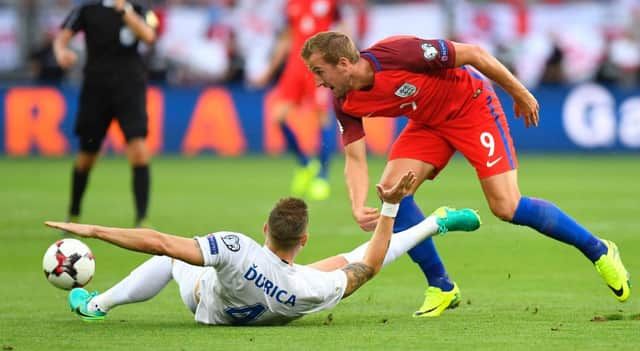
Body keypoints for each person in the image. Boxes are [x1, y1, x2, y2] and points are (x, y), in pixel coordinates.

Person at [300, 31, 632, 317]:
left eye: (319, 71)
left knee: (506, 207)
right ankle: (441, 285)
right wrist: (358, 205)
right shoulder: (344, 100)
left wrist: (518, 91)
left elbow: (473, 53)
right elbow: (355, 159)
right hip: (429, 124)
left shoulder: (398, 54)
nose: (318, 81)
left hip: (471, 107)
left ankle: (598, 250)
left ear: (343, 64)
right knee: (392, 192)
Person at [44, 171, 482, 325]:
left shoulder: (237, 248)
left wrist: (94, 230)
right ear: (303, 240)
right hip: (283, 298)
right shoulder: (309, 289)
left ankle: (96, 305)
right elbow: (368, 264)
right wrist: (390, 208)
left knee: (168, 257)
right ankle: (435, 222)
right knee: (351, 260)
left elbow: (158, 240)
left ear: (263, 229)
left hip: (206, 307)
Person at [53, 0, 158, 227]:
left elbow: (149, 36)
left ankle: (142, 219)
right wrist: (61, 52)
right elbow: (62, 37)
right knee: (87, 156)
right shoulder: (87, 9)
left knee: (139, 149)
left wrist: (125, 12)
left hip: (130, 88)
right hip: (96, 90)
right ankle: (74, 213)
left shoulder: (138, 9)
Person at [251, 0, 345, 201]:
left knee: (322, 117)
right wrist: (269, 72)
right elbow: (287, 37)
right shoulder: (292, 4)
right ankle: (305, 164)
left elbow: (343, 28)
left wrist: (345, 61)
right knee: (278, 117)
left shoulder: (330, 3)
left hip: (319, 66)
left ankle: (322, 176)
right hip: (295, 66)